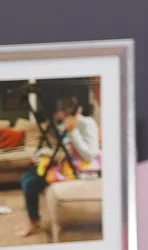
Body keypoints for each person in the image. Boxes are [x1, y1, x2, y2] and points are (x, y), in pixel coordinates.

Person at [18, 94, 100, 238]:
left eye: (59, 112)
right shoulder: (63, 124)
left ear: (67, 112)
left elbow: (89, 155)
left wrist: (73, 131)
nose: (57, 115)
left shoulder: (87, 123)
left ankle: (33, 221)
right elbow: (65, 148)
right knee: (26, 176)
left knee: (30, 183)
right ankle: (34, 218)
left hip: (81, 169)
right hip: (65, 163)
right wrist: (44, 152)